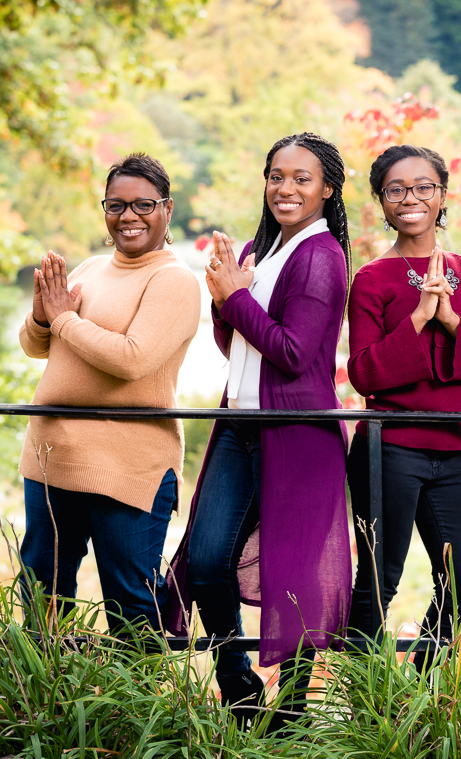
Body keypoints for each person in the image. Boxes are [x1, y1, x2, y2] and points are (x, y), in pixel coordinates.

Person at [165, 133, 352, 727]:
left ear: (327, 190)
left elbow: (293, 353)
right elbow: (236, 344)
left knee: (294, 574)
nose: (286, 188)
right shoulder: (258, 250)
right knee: (206, 556)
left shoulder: (324, 257)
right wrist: (225, 299)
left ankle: (292, 714)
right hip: (240, 424)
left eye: (302, 178)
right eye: (277, 175)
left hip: (297, 431)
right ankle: (238, 685)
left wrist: (235, 298)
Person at [18, 153, 200, 636]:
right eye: (116, 205)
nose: (129, 216)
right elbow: (36, 347)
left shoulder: (174, 280)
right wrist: (42, 316)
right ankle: (43, 698)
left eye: (144, 205)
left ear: (167, 208)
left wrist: (63, 319)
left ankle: (133, 708)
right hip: (51, 453)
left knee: (131, 602)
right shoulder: (92, 267)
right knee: (42, 589)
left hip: (128, 463)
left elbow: (132, 359)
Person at [346, 145, 461, 668]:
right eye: (396, 189)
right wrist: (417, 317)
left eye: (422, 187)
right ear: (382, 202)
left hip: (452, 452)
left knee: (458, 587)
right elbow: (365, 373)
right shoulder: (371, 278)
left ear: (442, 196)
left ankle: (416, 691)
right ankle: (365, 700)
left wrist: (452, 320)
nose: (410, 198)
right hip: (388, 449)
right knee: (379, 580)